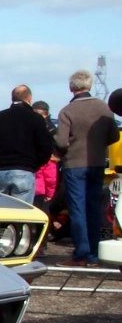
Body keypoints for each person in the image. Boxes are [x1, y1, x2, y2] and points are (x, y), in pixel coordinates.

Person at [54, 70, 120, 266]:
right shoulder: (104, 109)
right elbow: (114, 136)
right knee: (93, 208)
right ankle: (93, 253)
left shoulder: (67, 111)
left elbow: (62, 141)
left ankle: (81, 254)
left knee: (77, 209)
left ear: (71, 87)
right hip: (97, 163)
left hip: (74, 164)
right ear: (90, 86)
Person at [0, 85, 53, 203]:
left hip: (0, 171)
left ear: (12, 98)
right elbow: (46, 148)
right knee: (20, 214)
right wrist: (34, 165)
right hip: (24, 170)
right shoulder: (36, 119)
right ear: (29, 98)